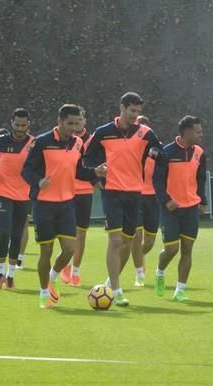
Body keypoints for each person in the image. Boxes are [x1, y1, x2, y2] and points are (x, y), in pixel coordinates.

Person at [22, 104, 106, 308]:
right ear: (59, 121)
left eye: (77, 123)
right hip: (44, 204)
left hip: (67, 203)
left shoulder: (78, 143)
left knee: (70, 249)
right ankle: (43, 293)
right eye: (70, 123)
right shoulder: (42, 142)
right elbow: (26, 170)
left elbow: (78, 172)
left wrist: (95, 171)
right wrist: (38, 181)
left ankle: (52, 277)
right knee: (46, 251)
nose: (74, 128)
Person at [84, 92, 161, 306]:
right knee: (116, 240)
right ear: (122, 107)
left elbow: (158, 150)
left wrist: (154, 152)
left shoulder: (145, 132)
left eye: (138, 112)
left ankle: (110, 282)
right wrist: (96, 171)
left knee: (127, 242)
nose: (135, 115)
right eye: (132, 110)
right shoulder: (103, 132)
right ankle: (117, 291)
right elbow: (87, 156)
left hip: (135, 193)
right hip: (113, 192)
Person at [152, 115, 206, 301]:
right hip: (171, 209)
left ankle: (180, 290)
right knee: (171, 249)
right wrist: (166, 200)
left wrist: (203, 201)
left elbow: (200, 179)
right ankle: (160, 272)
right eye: (198, 131)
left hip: (191, 207)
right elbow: (157, 180)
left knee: (187, 249)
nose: (201, 134)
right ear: (187, 132)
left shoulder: (199, 152)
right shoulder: (166, 152)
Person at [0, 108, 34, 289]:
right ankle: (0, 273)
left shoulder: (33, 143)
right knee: (4, 232)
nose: (20, 128)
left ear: (28, 124)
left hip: (24, 195)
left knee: (16, 234)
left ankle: (11, 275)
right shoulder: (1, 141)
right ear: (11, 123)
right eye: (17, 124)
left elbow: (39, 165)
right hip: (3, 192)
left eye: (24, 125)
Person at [60, 107, 94, 287]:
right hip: (66, 191)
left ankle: (76, 272)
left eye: (81, 120)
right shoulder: (64, 140)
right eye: (75, 121)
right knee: (67, 233)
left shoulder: (93, 140)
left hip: (85, 192)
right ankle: (65, 264)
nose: (78, 123)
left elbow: (99, 160)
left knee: (81, 233)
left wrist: (95, 178)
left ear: (85, 121)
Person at [130, 115, 162, 286]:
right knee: (136, 235)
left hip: (153, 198)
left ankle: (140, 255)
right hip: (135, 195)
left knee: (149, 241)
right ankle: (139, 273)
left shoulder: (156, 149)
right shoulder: (130, 148)